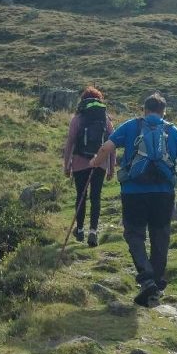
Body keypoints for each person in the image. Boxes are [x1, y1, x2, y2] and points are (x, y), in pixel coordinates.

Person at [87, 93, 177, 306]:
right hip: (163, 193)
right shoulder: (171, 130)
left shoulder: (131, 126)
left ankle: (147, 279)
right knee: (160, 235)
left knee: (134, 233)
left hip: (134, 192)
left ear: (144, 110)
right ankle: (155, 283)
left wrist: (94, 162)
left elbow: (106, 147)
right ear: (164, 112)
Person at [63, 86, 113, 247]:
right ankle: (93, 231)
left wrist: (67, 165)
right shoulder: (105, 118)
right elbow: (112, 143)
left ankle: (79, 229)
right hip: (100, 162)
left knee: (81, 195)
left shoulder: (78, 118)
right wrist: (111, 167)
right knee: (96, 196)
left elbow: (70, 142)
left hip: (80, 162)